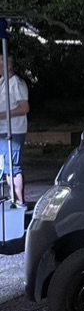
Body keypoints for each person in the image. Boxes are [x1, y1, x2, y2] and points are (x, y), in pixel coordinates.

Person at [0, 55, 29, 207]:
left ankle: (19, 201)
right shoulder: (2, 82)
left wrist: (2, 115)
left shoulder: (17, 83)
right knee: (6, 166)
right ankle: (14, 199)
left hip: (14, 130)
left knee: (13, 167)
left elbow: (24, 108)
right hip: (3, 129)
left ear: (8, 65)